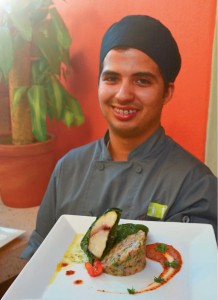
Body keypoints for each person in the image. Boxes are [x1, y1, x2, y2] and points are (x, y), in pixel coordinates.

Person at [21, 15, 217, 259]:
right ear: (99, 83)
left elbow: (195, 281)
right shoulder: (68, 168)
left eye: (142, 81)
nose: (123, 94)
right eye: (111, 78)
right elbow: (39, 251)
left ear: (167, 92)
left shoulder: (194, 186)